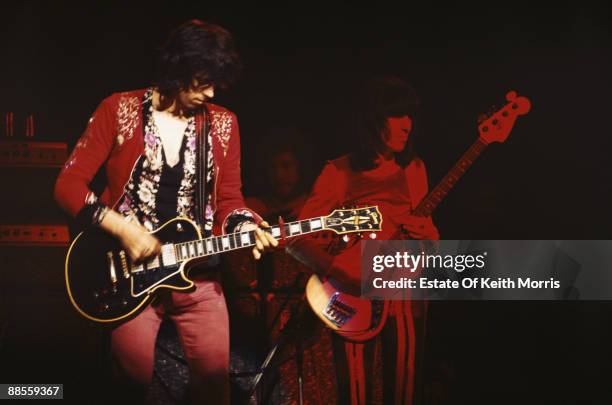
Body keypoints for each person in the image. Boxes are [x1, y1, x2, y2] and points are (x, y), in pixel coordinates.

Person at [54, 20, 277, 404]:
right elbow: (68, 185)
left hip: (199, 275)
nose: (210, 92)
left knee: (214, 389)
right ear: (177, 68)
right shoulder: (118, 109)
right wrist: (123, 229)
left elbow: (229, 201)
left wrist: (249, 226)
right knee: (130, 383)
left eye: (215, 83)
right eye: (201, 80)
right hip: (129, 274)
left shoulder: (224, 124)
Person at [286, 76, 439, 404]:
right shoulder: (339, 172)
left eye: (410, 116)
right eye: (397, 115)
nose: (407, 125)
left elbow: (428, 242)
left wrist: (430, 236)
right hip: (352, 294)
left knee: (405, 390)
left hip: (404, 293)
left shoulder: (414, 169)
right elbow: (296, 237)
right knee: (354, 391)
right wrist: (339, 269)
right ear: (374, 120)